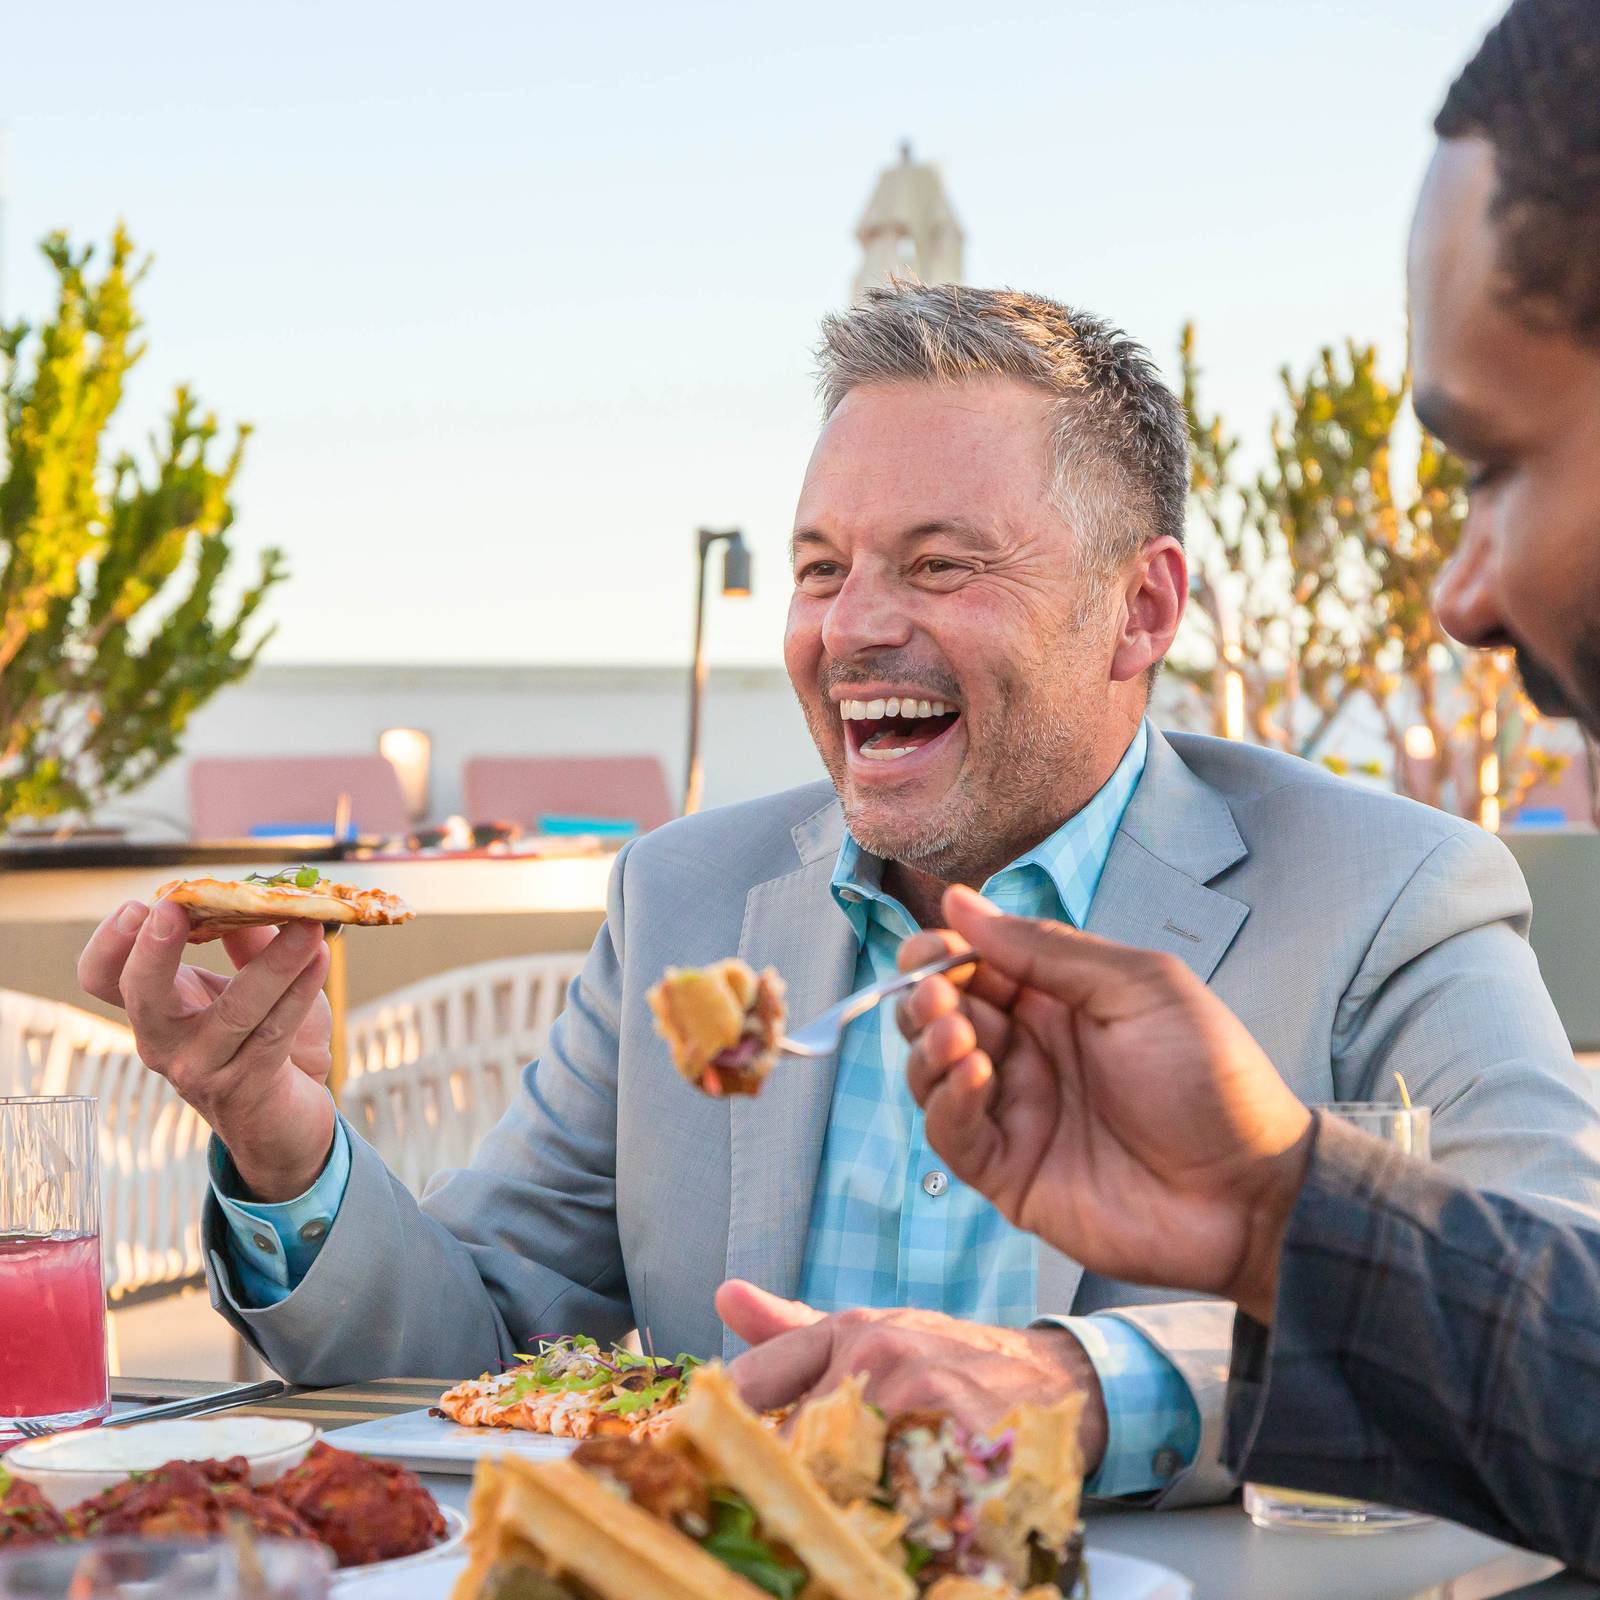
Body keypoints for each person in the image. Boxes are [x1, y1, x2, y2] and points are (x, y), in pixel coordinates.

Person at [79, 282, 1600, 1511]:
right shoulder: (686, 895)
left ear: (1138, 612)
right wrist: (281, 1139)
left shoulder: (1389, 890)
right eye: (819, 570)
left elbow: (1555, 1313)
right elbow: (478, 1347)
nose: (853, 629)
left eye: (941, 567)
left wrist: (1083, 1389)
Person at [894, 0, 1600, 1569]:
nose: (1458, 595)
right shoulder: (684, 886)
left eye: (1492, 465)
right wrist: (1283, 1216)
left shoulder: (1398, 879)